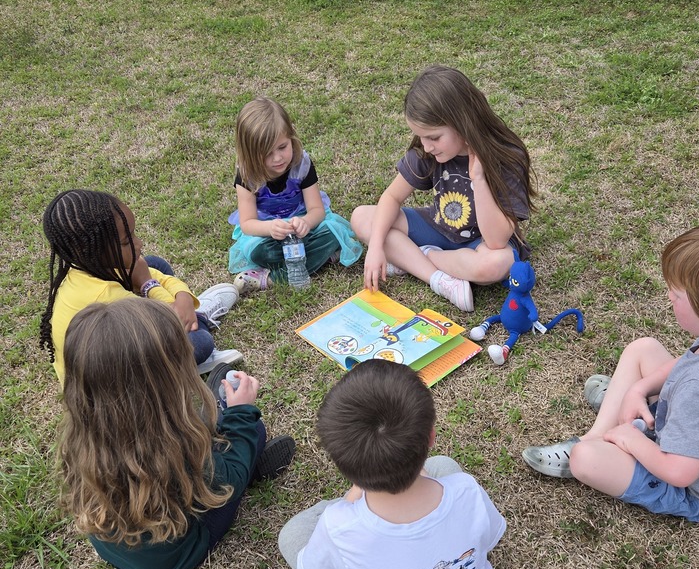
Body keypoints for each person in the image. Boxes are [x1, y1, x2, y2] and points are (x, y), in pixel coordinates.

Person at [522, 219, 699, 524]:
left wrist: (631, 441)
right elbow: (689, 362)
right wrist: (639, 389)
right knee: (643, 347)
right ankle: (598, 432)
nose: (669, 297)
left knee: (586, 460)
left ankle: (594, 443)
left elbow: (680, 472)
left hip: (697, 491)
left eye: (677, 295)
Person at [278, 360, 506, 569]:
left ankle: (362, 496)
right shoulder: (466, 490)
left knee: (292, 536)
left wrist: (347, 504)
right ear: (430, 437)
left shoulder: (338, 527)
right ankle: (400, 483)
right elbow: (489, 540)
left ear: (342, 465)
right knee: (446, 467)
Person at [59, 299, 295, 569]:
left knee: (205, 429)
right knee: (252, 432)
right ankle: (249, 461)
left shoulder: (83, 438)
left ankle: (221, 417)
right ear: (162, 388)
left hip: (117, 549)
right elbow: (227, 477)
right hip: (178, 556)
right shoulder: (173, 450)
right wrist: (242, 413)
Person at [350, 65, 535, 315]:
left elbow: (496, 241)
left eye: (434, 138)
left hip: (480, 244)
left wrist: (478, 178)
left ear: (463, 123)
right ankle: (438, 279)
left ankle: (413, 257)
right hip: (440, 227)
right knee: (362, 217)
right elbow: (392, 197)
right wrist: (374, 249)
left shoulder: (506, 156)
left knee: (499, 263)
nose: (426, 147)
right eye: (421, 137)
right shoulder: (427, 150)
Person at [41, 189, 244, 383]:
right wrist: (149, 285)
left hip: (122, 344)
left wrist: (182, 294)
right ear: (92, 249)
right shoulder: (106, 298)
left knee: (154, 263)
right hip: (117, 383)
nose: (138, 243)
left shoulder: (82, 265)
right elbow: (168, 322)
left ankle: (193, 314)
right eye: (126, 241)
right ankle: (198, 320)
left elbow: (154, 273)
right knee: (200, 342)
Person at [227, 96, 362, 287]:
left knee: (333, 235)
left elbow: (316, 210)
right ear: (250, 154)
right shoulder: (247, 173)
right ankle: (320, 259)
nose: (278, 158)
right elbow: (248, 223)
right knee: (260, 252)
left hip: (301, 223)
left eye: (283, 147)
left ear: (291, 137)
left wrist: (306, 222)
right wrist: (270, 228)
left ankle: (271, 279)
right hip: (266, 229)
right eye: (267, 154)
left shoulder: (302, 164)